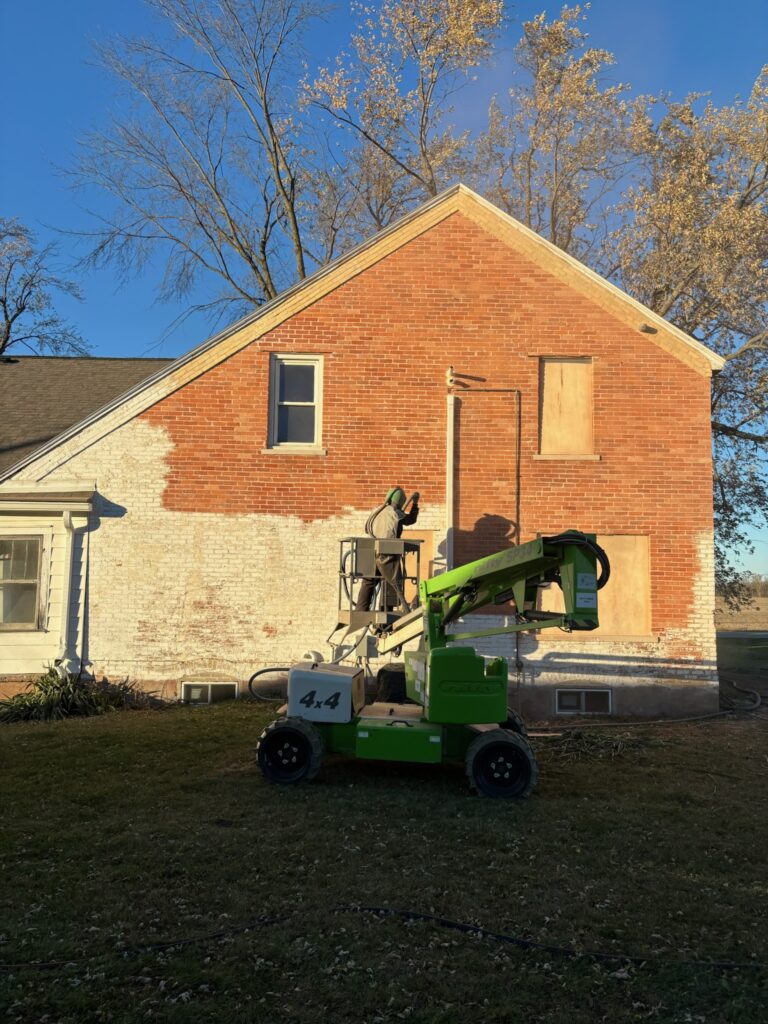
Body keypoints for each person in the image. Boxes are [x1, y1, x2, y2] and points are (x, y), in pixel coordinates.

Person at [355, 487, 420, 612]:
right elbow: (411, 520)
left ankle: (360, 610)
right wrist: (415, 504)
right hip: (388, 553)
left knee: (368, 582)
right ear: (400, 501)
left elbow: (368, 528)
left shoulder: (377, 510)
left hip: (371, 550)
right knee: (392, 583)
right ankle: (386, 611)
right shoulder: (395, 513)